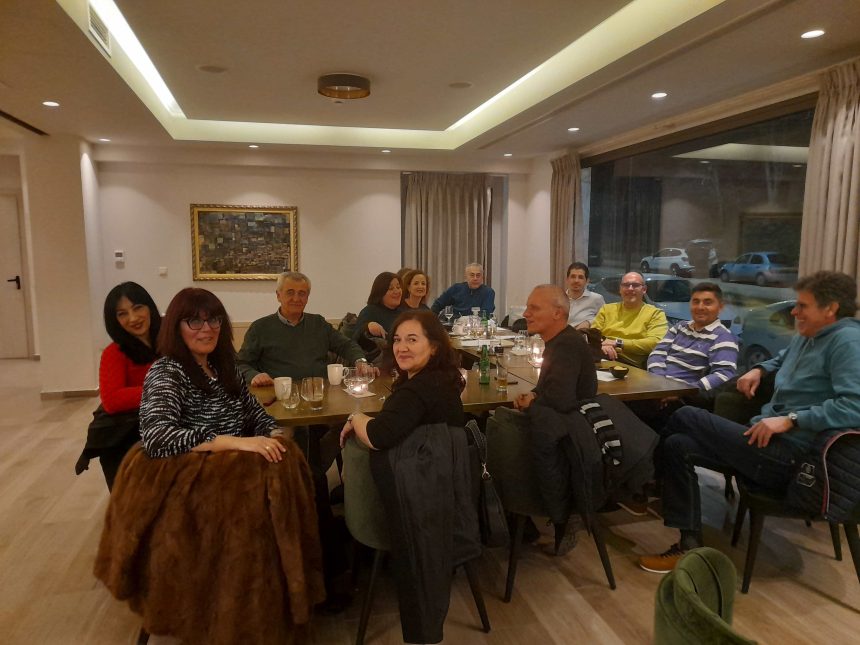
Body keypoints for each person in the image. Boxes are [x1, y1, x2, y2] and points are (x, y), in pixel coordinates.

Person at [639, 271, 860, 574]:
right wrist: (759, 369)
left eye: (802, 306)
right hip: (763, 439)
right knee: (678, 444)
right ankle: (688, 544)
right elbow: (780, 359)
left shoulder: (847, 342)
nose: (794, 312)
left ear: (830, 308)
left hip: (795, 458)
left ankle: (638, 480)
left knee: (684, 415)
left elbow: (855, 406)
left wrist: (792, 420)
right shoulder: (808, 336)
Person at [340, 310, 478, 643]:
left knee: (341, 443)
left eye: (412, 340)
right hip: (445, 495)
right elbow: (396, 423)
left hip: (418, 506)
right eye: (398, 339)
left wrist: (356, 418)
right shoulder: (441, 379)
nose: (402, 347)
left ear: (434, 346)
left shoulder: (419, 389)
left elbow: (379, 436)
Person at [140, 287, 284, 459]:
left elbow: (255, 414)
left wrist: (275, 435)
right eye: (195, 321)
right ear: (176, 328)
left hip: (236, 465)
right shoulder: (167, 371)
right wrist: (232, 442)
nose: (207, 328)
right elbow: (156, 438)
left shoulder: (226, 368)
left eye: (213, 320)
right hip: (196, 471)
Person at [513, 285, 598, 554]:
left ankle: (558, 516)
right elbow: (551, 390)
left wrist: (532, 402)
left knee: (501, 439)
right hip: (563, 429)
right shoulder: (558, 341)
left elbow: (562, 400)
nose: (525, 314)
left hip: (572, 437)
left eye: (534, 308)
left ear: (558, 313)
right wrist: (535, 395)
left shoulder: (567, 345)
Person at [76, 282, 162, 490]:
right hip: (128, 438)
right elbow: (112, 400)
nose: (133, 318)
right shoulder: (114, 353)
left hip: (165, 429)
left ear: (149, 307)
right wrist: (164, 389)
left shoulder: (169, 343)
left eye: (137, 308)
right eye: (122, 314)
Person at [238, 271, 367, 386]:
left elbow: (346, 345)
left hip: (319, 393)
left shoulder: (319, 323)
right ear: (278, 295)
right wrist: (254, 375)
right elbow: (241, 364)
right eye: (290, 292)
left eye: (302, 293)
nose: (296, 298)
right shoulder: (260, 328)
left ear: (307, 298)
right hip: (278, 395)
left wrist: (360, 361)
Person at [647, 282, 739, 395]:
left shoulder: (723, 337)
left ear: (720, 307)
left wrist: (683, 391)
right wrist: (660, 383)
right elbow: (657, 353)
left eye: (707, 303)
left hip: (683, 396)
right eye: (696, 302)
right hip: (657, 387)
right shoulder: (680, 327)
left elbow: (724, 374)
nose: (700, 307)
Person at [593, 271, 668, 368]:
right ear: (620, 289)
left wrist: (617, 343)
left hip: (628, 364)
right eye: (626, 285)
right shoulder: (606, 309)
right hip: (600, 355)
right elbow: (592, 335)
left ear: (644, 289)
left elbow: (655, 342)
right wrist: (600, 345)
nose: (630, 288)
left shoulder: (655, 313)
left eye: (635, 285)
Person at [353, 271, 404, 345]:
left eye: (398, 287)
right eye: (390, 288)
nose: (396, 291)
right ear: (380, 292)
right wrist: (367, 327)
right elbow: (355, 339)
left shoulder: (403, 313)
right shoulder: (369, 311)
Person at [431, 262, 495, 317]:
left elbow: (485, 314)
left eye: (478, 275)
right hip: (454, 324)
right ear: (466, 277)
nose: (475, 278)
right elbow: (438, 304)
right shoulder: (456, 288)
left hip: (477, 325)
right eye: (472, 275)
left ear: (482, 277)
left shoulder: (488, 292)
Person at [565, 261, 605, 329]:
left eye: (580, 277)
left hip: (584, 334)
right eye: (573, 276)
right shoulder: (559, 299)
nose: (576, 280)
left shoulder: (596, 299)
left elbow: (604, 320)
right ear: (567, 279)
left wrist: (589, 322)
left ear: (587, 281)